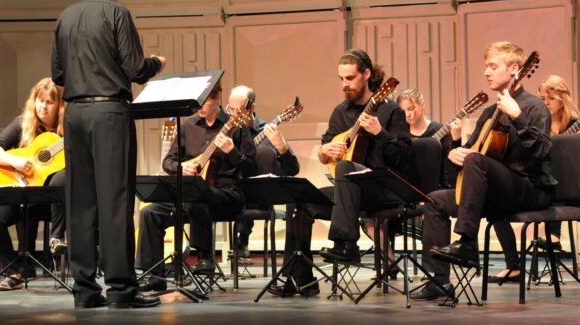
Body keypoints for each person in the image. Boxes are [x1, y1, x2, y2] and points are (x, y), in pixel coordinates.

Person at [51, 0, 166, 309]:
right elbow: (135, 68)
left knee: (80, 202)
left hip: (75, 115)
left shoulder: (66, 16)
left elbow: (57, 75)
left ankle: (84, 291)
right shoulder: (117, 13)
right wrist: (156, 64)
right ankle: (121, 290)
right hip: (109, 114)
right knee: (115, 202)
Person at [412, 41, 554, 301]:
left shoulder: (534, 107)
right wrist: (455, 152)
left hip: (530, 188)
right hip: (494, 192)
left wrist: (518, 117)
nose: (486, 72)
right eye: (486, 66)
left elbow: (543, 153)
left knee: (477, 161)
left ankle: (467, 243)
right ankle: (439, 281)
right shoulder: (489, 112)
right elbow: (472, 151)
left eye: (493, 66)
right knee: (435, 200)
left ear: (514, 69)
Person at [136, 85, 257, 292]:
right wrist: (180, 167)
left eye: (205, 101)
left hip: (227, 195)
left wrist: (232, 151)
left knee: (197, 194)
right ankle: (154, 275)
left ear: (218, 97)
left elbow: (252, 169)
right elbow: (168, 162)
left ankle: (205, 257)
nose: (199, 106)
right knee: (150, 212)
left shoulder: (236, 127)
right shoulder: (187, 127)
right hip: (191, 198)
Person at [488, 74, 580, 283]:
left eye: (550, 99)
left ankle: (552, 237)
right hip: (536, 180)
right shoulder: (537, 120)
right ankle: (513, 266)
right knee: (494, 200)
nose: (545, 103)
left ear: (562, 99)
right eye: (542, 98)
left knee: (551, 181)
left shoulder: (576, 123)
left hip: (567, 183)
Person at [317, 49, 412, 263]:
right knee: (301, 201)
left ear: (367, 74)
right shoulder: (340, 112)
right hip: (348, 190)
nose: (344, 84)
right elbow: (325, 151)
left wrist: (381, 133)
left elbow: (404, 158)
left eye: (350, 78)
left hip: (382, 189)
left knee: (345, 168)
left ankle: (347, 244)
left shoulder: (390, 111)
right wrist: (324, 151)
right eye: (341, 79)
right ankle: (299, 278)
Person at [0, 77, 68, 291]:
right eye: (40, 100)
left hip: (53, 202)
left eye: (49, 102)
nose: (43, 106)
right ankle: (14, 270)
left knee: (62, 177)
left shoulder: (69, 128)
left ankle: (56, 239)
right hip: (23, 193)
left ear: (59, 105)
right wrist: (14, 161)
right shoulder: (24, 123)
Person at [227, 85, 300, 263]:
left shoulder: (267, 131)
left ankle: (241, 238)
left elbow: (292, 169)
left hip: (258, 192)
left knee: (252, 176)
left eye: (238, 110)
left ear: (251, 108)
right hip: (229, 189)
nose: (233, 115)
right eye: (230, 109)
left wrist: (281, 148)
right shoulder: (226, 130)